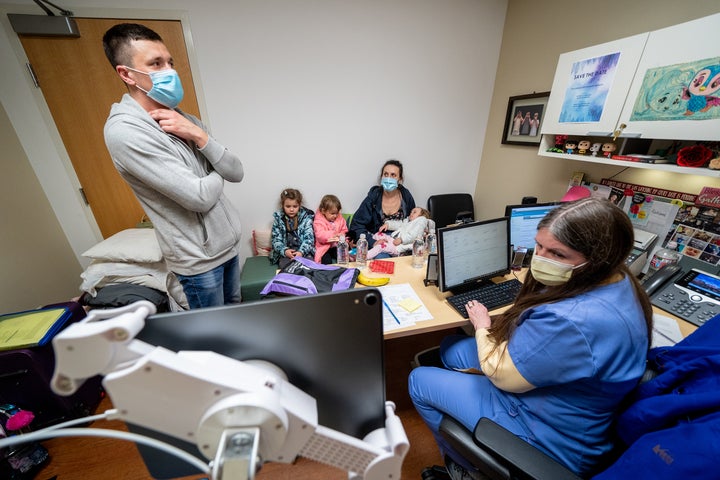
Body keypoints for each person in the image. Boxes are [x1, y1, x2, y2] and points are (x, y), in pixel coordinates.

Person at [409, 197, 653, 478]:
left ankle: (463, 468)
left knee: (419, 380)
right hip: (561, 394)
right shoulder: (619, 279)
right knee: (451, 349)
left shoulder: (573, 321)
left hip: (544, 431)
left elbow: (502, 374)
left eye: (558, 254)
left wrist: (482, 325)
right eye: (539, 245)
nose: (541, 258)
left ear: (597, 260)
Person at [102, 23, 244, 309]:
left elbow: (237, 171)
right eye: (156, 64)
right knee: (213, 338)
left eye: (170, 63)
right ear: (126, 74)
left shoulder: (183, 118)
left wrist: (199, 135)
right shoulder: (126, 132)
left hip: (226, 248)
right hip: (198, 263)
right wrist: (217, 166)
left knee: (235, 323)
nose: (169, 71)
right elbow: (200, 197)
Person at [348, 159, 416, 248]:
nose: (388, 178)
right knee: (382, 257)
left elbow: (414, 222)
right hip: (380, 243)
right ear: (382, 176)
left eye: (393, 175)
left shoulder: (406, 197)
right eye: (386, 174)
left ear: (399, 179)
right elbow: (357, 225)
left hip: (402, 243)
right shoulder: (373, 197)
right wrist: (372, 242)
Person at [270, 188, 315, 268]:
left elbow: (309, 239)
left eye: (295, 206)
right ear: (282, 205)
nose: (291, 209)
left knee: (308, 266)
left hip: (303, 251)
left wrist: (301, 252)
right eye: (288, 206)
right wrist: (285, 251)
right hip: (286, 253)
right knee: (285, 267)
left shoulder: (306, 218)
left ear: (299, 205)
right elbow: (276, 240)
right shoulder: (279, 219)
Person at [367, 207, 433, 259]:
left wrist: (401, 239)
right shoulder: (407, 222)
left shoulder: (420, 224)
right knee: (378, 234)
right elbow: (398, 224)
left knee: (380, 247)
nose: (411, 213)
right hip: (393, 240)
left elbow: (414, 235)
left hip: (398, 247)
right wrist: (388, 224)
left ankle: (365, 256)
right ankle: (374, 249)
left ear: (421, 216)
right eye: (411, 212)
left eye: (414, 212)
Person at [313, 194, 349, 264]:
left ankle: (344, 271)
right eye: (332, 213)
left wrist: (342, 237)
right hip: (324, 247)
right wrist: (334, 234)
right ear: (323, 211)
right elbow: (320, 235)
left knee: (343, 257)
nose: (335, 216)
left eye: (337, 213)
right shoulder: (318, 221)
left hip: (337, 246)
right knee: (326, 260)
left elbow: (345, 231)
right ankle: (328, 273)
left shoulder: (340, 219)